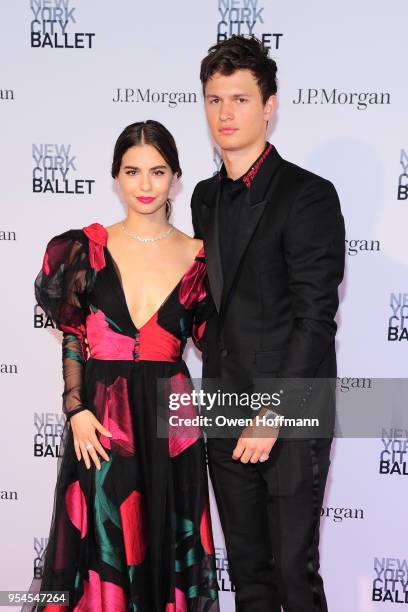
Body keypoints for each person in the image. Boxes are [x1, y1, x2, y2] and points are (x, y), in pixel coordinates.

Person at [28, 121, 219, 612]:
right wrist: (75, 409)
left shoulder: (200, 257)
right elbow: (74, 334)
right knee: (103, 548)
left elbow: (219, 344)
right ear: (116, 177)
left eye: (157, 171)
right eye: (132, 172)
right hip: (102, 422)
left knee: (166, 540)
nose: (145, 185)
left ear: (175, 176)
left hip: (169, 423)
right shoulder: (84, 249)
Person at [191, 36, 345, 611]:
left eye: (240, 98)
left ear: (269, 106)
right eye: (214, 99)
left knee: (292, 577)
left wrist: (273, 413)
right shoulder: (204, 198)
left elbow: (315, 318)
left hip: (290, 412)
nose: (225, 113)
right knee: (250, 580)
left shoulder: (307, 196)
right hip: (223, 410)